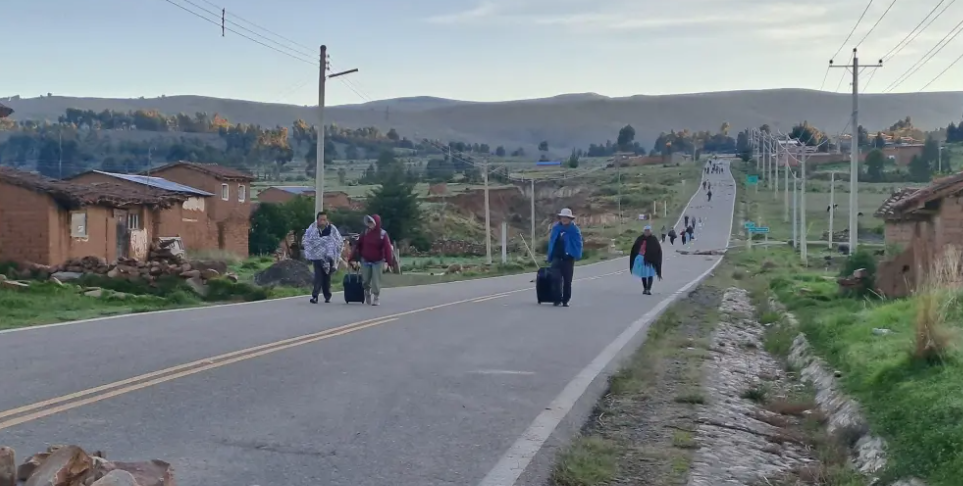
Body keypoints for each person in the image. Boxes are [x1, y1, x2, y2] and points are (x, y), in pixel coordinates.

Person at [352, 214, 395, 306]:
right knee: (365, 280)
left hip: (378, 261)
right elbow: (357, 245)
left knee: (376, 280)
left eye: (372, 222)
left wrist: (388, 262)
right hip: (366, 260)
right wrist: (353, 258)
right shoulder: (365, 233)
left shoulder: (383, 234)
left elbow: (387, 248)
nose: (370, 224)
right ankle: (367, 292)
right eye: (369, 222)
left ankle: (376, 297)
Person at [301, 211, 343, 304]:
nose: (323, 221)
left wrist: (331, 246)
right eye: (321, 219)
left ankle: (327, 295)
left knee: (326, 277)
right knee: (318, 276)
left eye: (324, 219)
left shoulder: (332, 229)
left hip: (329, 256)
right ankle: (315, 296)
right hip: (317, 256)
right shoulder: (312, 229)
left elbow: (338, 240)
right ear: (317, 220)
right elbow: (307, 239)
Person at [546, 208, 583, 307]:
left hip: (568, 259)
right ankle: (556, 299)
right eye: (563, 217)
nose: (564, 219)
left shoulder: (574, 230)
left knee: (567, 281)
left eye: (566, 218)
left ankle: (565, 300)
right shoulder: (556, 228)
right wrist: (549, 255)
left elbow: (578, 243)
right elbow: (552, 242)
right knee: (555, 279)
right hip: (556, 258)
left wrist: (574, 253)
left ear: (570, 219)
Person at [630, 225, 663, 295]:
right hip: (641, 259)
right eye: (646, 230)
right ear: (644, 231)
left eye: (648, 231)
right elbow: (635, 248)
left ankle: (648, 289)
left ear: (650, 231)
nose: (647, 232)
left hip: (650, 260)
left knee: (650, 274)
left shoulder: (653, 239)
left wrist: (654, 257)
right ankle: (645, 288)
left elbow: (657, 250)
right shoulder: (640, 238)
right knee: (643, 275)